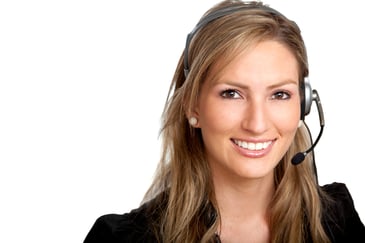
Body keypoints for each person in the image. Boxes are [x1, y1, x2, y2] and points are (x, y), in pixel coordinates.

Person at [83, 0, 365, 242]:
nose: (257, 124)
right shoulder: (119, 238)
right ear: (192, 104)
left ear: (303, 104)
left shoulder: (337, 221)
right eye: (232, 93)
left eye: (279, 94)